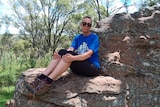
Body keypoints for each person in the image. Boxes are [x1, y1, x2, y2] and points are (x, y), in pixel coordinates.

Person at [26, 16, 101, 95]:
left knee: (68, 56)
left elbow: (88, 54)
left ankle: (48, 82)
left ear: (90, 26)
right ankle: (41, 77)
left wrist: (72, 57)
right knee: (62, 52)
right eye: (84, 23)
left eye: (88, 24)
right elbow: (70, 50)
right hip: (79, 65)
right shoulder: (78, 37)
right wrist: (59, 55)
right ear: (81, 24)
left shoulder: (94, 37)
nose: (86, 26)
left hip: (91, 67)